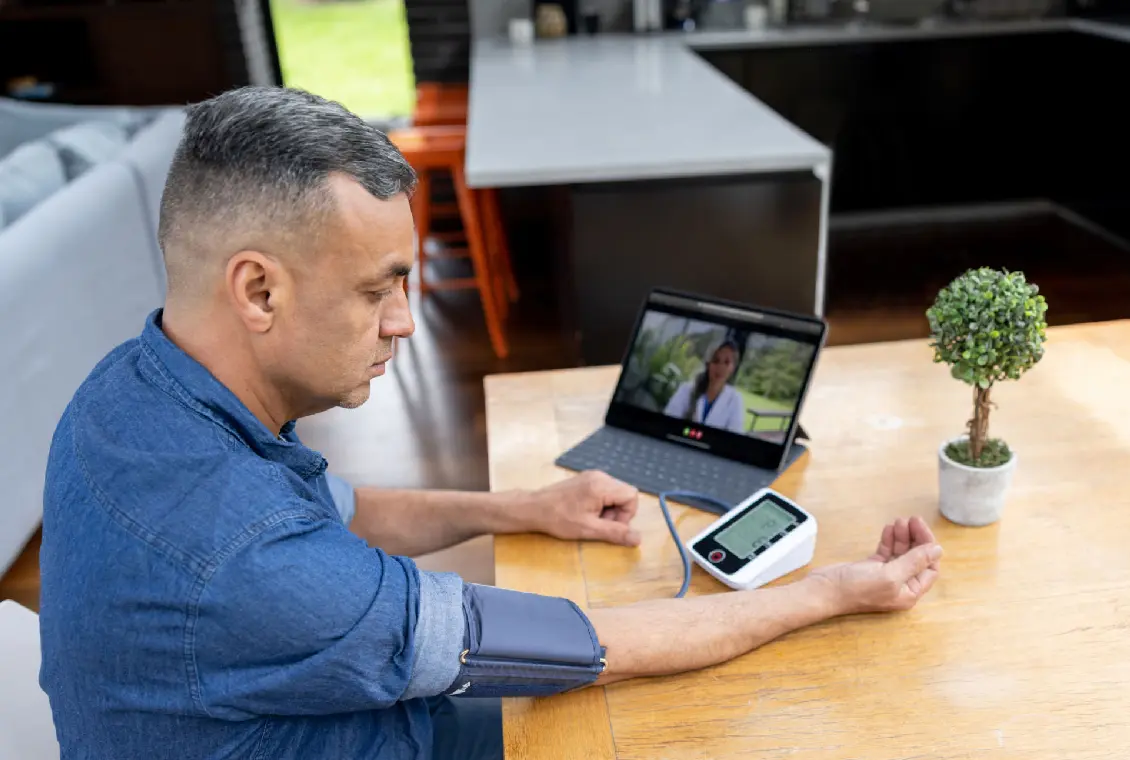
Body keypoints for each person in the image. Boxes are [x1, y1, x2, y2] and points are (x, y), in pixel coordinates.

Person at [37, 86, 943, 760]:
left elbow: (341, 508)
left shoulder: (126, 396)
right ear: (259, 289)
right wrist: (834, 590)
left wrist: (527, 508)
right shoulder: (262, 565)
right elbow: (590, 645)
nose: (402, 319)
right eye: (375, 287)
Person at [664, 339, 747, 434]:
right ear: (708, 364)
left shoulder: (735, 400)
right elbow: (668, 422)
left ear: (733, 368)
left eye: (726, 362)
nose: (720, 367)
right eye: (716, 361)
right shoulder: (686, 389)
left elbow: (734, 437)